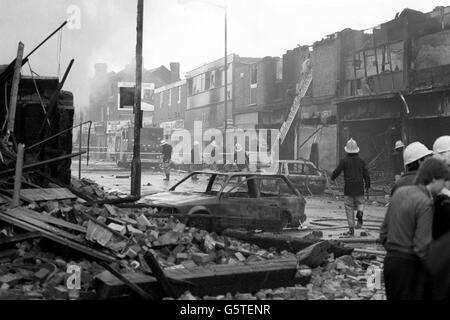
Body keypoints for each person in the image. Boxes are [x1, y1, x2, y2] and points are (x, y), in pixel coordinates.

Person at [380, 158, 450, 300]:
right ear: (435, 179)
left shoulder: (400, 192)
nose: (444, 186)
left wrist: (394, 250)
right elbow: (421, 246)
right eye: (443, 181)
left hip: (390, 264)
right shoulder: (425, 202)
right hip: (408, 267)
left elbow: (383, 233)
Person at [331, 138, 370, 236]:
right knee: (360, 203)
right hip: (359, 187)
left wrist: (332, 177)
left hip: (348, 188)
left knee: (349, 208)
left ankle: (351, 230)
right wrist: (367, 186)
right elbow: (366, 175)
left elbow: (337, 171)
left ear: (347, 150)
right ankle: (360, 213)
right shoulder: (361, 161)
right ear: (356, 149)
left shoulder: (344, 161)